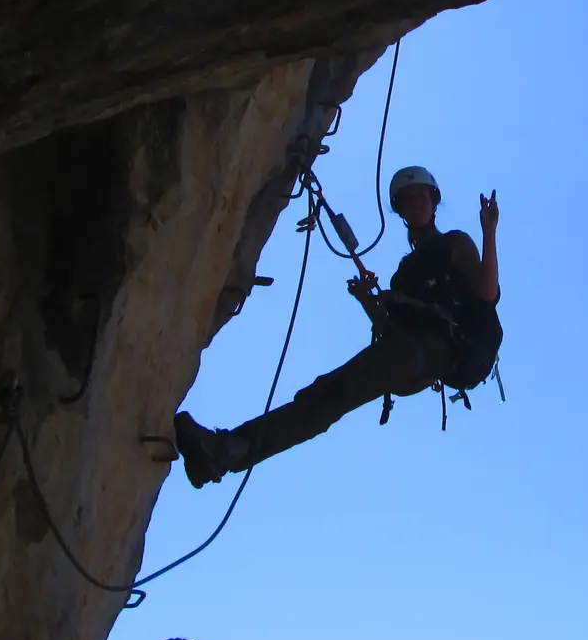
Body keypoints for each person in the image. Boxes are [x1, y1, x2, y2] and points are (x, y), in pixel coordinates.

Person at [173, 166, 502, 487]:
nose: (416, 204)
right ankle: (227, 451)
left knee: (333, 392)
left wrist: (489, 231)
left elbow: (487, 294)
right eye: (408, 199)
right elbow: (391, 329)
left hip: (444, 350)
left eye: (422, 197)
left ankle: (227, 451)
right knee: (331, 393)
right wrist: (367, 303)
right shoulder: (404, 273)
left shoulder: (456, 244)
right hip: (414, 352)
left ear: (433, 201)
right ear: (399, 209)